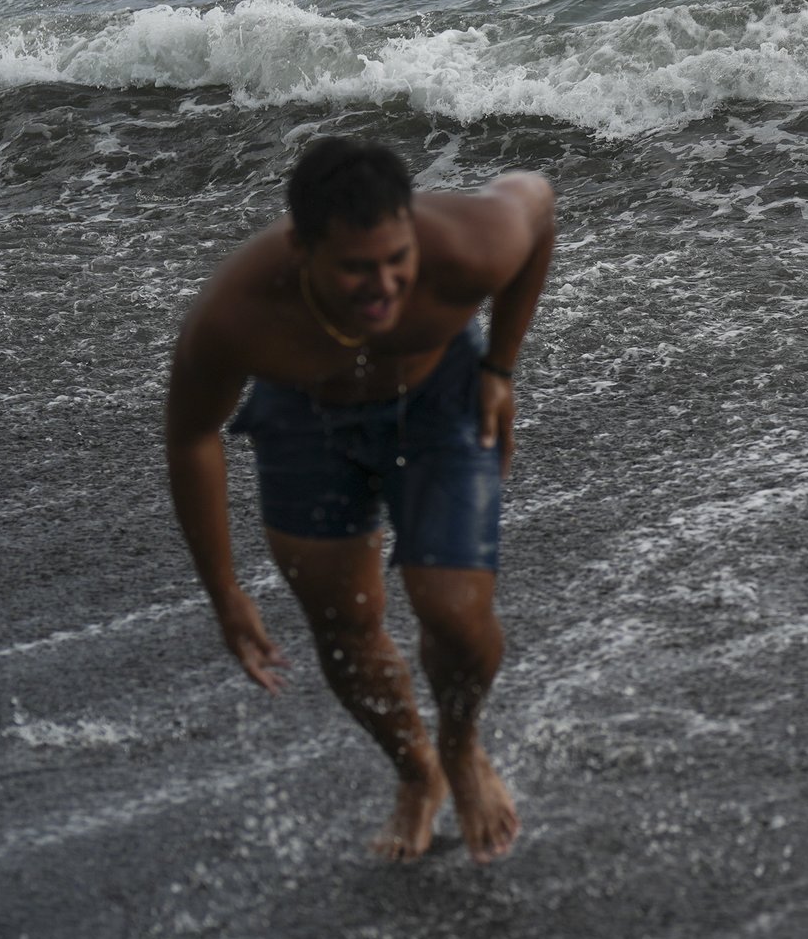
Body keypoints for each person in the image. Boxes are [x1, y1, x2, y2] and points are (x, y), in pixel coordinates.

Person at [162, 137, 556, 863]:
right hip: (303, 416)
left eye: (395, 258)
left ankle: (461, 745)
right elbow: (191, 436)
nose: (384, 286)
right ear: (302, 248)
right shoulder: (238, 313)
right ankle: (417, 774)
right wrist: (223, 592)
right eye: (355, 268)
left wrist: (500, 365)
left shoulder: (466, 246)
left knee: (458, 615)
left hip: (439, 399)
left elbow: (537, 199)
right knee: (343, 625)